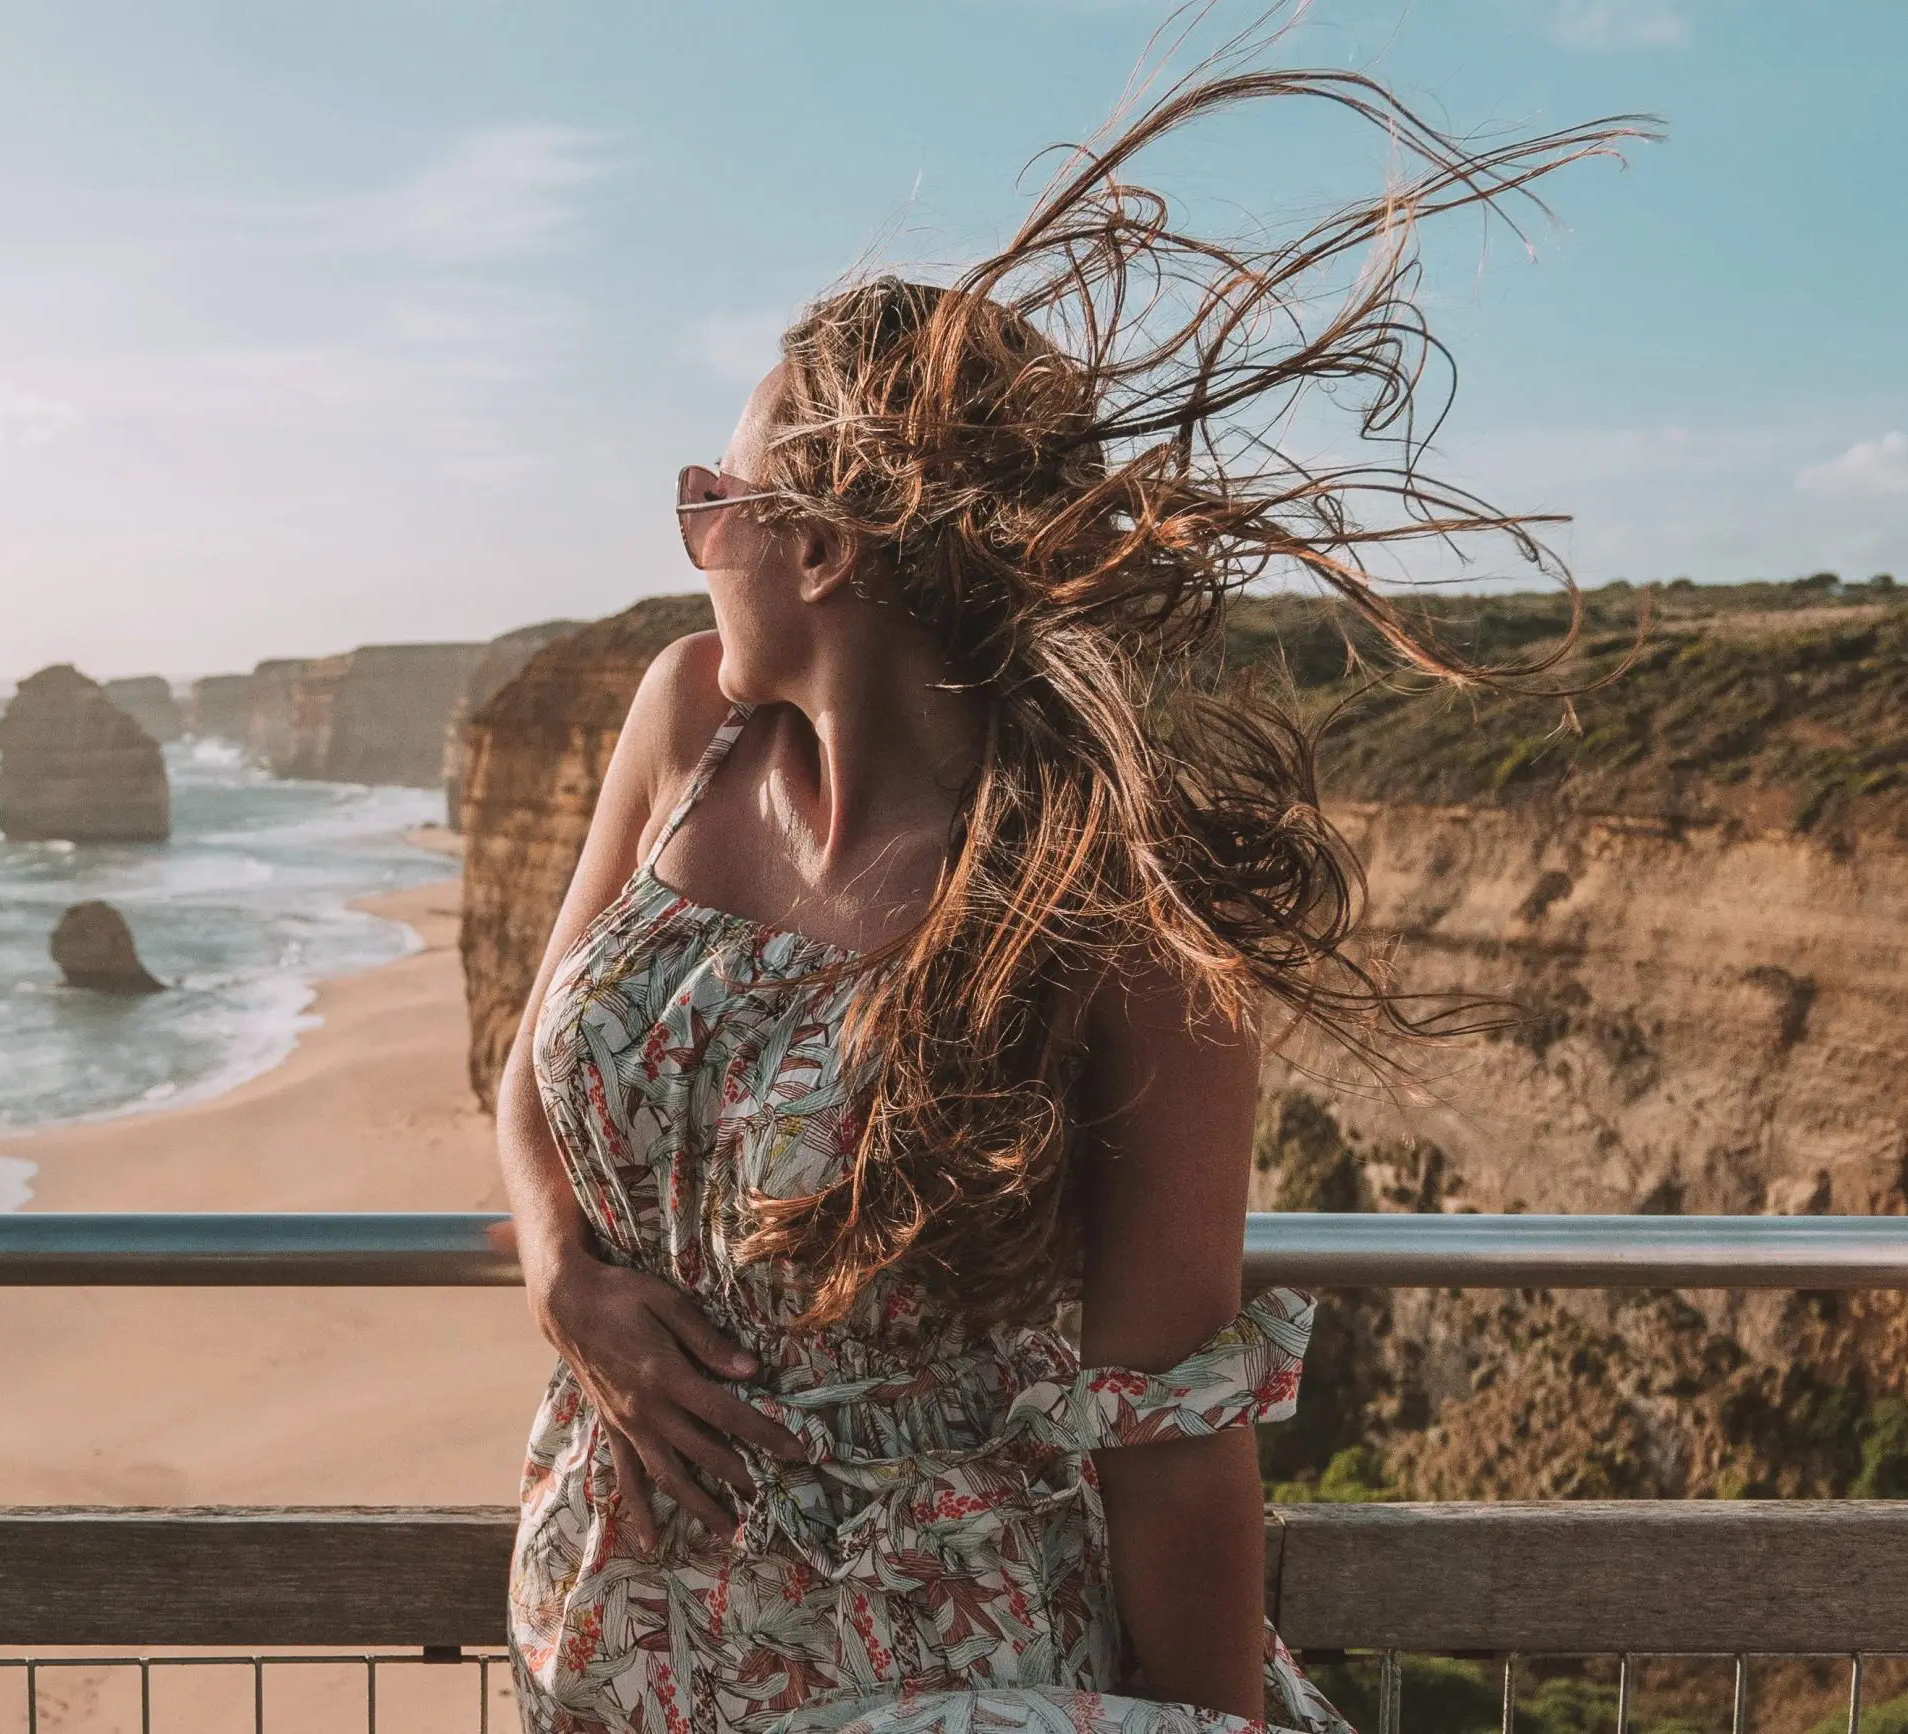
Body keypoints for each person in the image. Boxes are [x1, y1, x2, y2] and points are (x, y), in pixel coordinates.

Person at [494, 47, 1640, 1734]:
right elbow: (530, 1068)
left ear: (825, 549)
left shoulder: (1113, 909)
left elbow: (1174, 1438)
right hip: (602, 1647)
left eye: (717, 499)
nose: (699, 534)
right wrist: (557, 1278)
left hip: (934, 1686)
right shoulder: (686, 722)